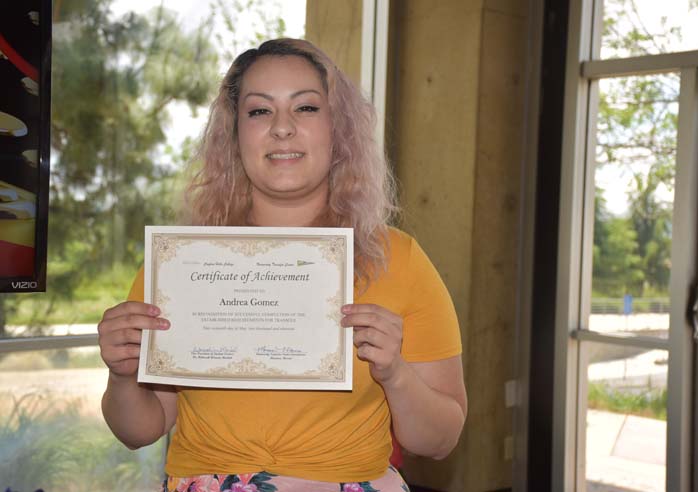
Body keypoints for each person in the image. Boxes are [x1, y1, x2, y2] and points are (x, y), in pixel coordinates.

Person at [98, 38, 466, 492]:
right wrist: (121, 375)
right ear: (234, 133)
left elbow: (441, 439)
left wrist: (396, 374)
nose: (282, 128)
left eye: (306, 108)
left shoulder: (399, 259)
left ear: (339, 129)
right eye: (259, 111)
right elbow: (139, 429)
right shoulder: (180, 263)